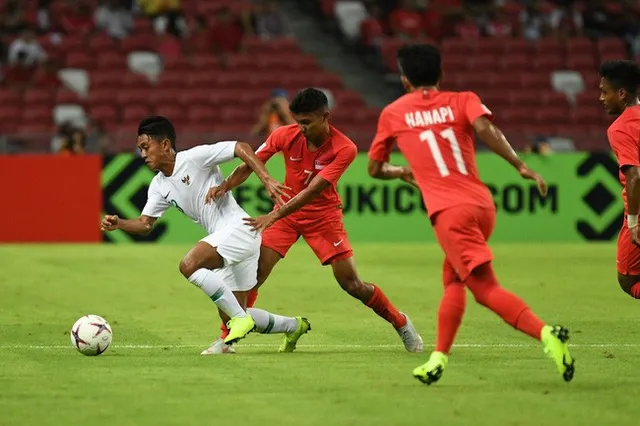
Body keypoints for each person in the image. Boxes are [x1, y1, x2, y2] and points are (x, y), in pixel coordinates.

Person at [366, 44, 575, 385]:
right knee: (452, 279)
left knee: (484, 289)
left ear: (404, 80)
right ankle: (438, 359)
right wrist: (520, 165)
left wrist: (401, 172)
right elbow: (488, 130)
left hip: (450, 213)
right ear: (441, 75)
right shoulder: (464, 99)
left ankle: (547, 334)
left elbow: (374, 168)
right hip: (481, 205)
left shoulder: (394, 112)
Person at [208, 88, 423, 353]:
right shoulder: (285, 134)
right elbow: (250, 165)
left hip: (323, 218)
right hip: (286, 216)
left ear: (325, 116)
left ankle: (400, 322)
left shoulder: (345, 148)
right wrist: (225, 186)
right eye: (298, 121)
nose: (302, 128)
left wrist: (273, 215)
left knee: (351, 285)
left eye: (307, 122)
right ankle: (227, 338)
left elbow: (311, 192)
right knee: (251, 276)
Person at [99, 116, 310, 354]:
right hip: (236, 238)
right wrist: (120, 223)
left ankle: (239, 322)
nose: (143, 154)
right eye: (140, 149)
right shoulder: (158, 185)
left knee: (189, 265)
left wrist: (267, 178)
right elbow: (145, 224)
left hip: (239, 229)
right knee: (232, 314)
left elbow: (242, 147)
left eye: (146, 147)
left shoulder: (195, 158)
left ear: (165, 145)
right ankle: (293, 326)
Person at [598, 60, 640, 298]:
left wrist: (633, 222)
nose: (601, 98)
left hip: (638, 210)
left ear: (621, 93)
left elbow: (634, 176)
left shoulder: (621, 128)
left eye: (605, 91)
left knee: (629, 280)